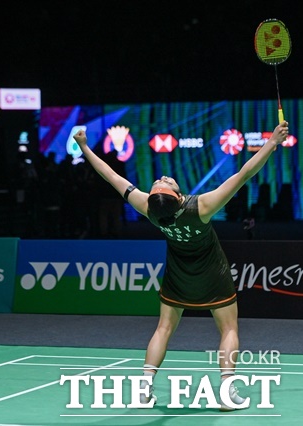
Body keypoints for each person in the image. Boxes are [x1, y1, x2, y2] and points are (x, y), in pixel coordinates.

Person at [73, 121, 289, 410]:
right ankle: (227, 393)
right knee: (229, 329)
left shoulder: (148, 210)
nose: (162, 177)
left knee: (164, 329)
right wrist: (272, 142)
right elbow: (244, 173)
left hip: (178, 275)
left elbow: (111, 176)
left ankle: (144, 388)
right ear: (176, 196)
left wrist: (85, 147)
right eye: (162, 182)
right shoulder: (202, 207)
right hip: (213, 274)